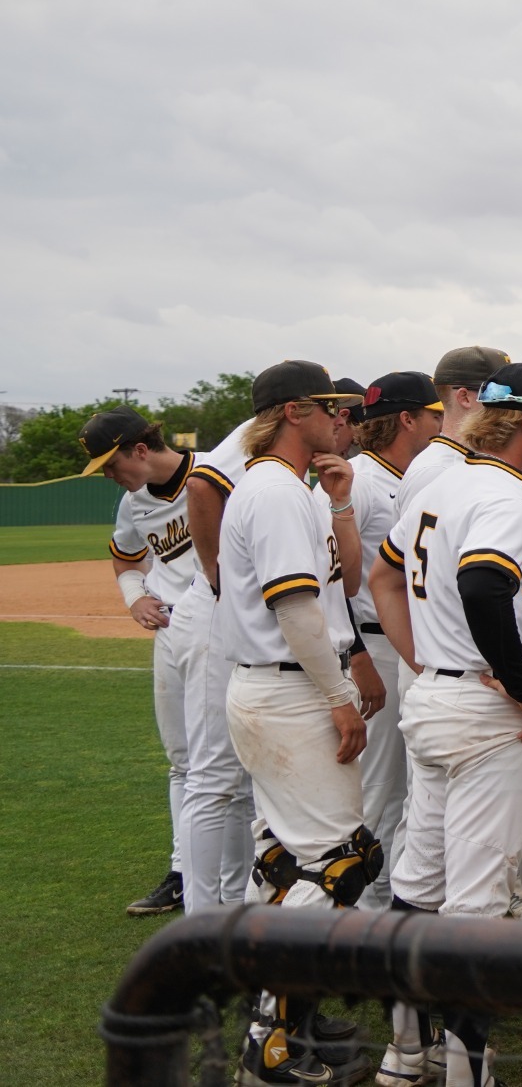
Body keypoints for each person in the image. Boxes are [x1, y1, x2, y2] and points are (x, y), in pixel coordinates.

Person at [371, 362, 522, 1087]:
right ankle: (467, 1076)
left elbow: (383, 577)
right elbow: (485, 583)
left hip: (433, 702)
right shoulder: (505, 493)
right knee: (478, 907)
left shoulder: (446, 480)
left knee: (417, 885)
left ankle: (403, 1055)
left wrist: (423, 659)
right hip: (485, 717)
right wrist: (521, 687)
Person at [214, 362, 376, 1085]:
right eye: (333, 407)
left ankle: (283, 1011)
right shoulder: (274, 491)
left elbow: (344, 576)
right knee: (342, 862)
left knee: (284, 861)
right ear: (293, 410)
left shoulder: (295, 486)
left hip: (272, 687)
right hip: (290, 690)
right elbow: (298, 611)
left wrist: (340, 502)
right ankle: (270, 1037)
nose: (345, 418)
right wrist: (339, 694)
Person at [82, 408, 198, 916]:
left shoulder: (216, 473)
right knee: (182, 760)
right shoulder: (133, 503)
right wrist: (134, 596)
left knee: (236, 761)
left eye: (111, 464)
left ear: (142, 450)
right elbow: (126, 556)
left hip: (227, 635)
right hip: (170, 635)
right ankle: (182, 871)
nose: (110, 475)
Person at [342, 371, 443, 913]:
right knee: (377, 795)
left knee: (411, 797)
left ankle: (392, 916)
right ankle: (364, 920)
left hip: (405, 646)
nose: (442, 421)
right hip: (373, 647)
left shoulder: (409, 475)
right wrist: (356, 655)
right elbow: (327, 579)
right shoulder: (356, 480)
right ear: (407, 419)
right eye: (433, 413)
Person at [180, 414, 261, 914]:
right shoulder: (263, 430)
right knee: (212, 779)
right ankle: (199, 923)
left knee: (244, 781)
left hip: (235, 615)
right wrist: (218, 577)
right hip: (215, 612)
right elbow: (203, 483)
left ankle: (234, 903)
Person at [400, 346, 511, 509]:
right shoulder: (435, 470)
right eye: (499, 394)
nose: (510, 404)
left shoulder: (467, 459)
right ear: (464, 397)